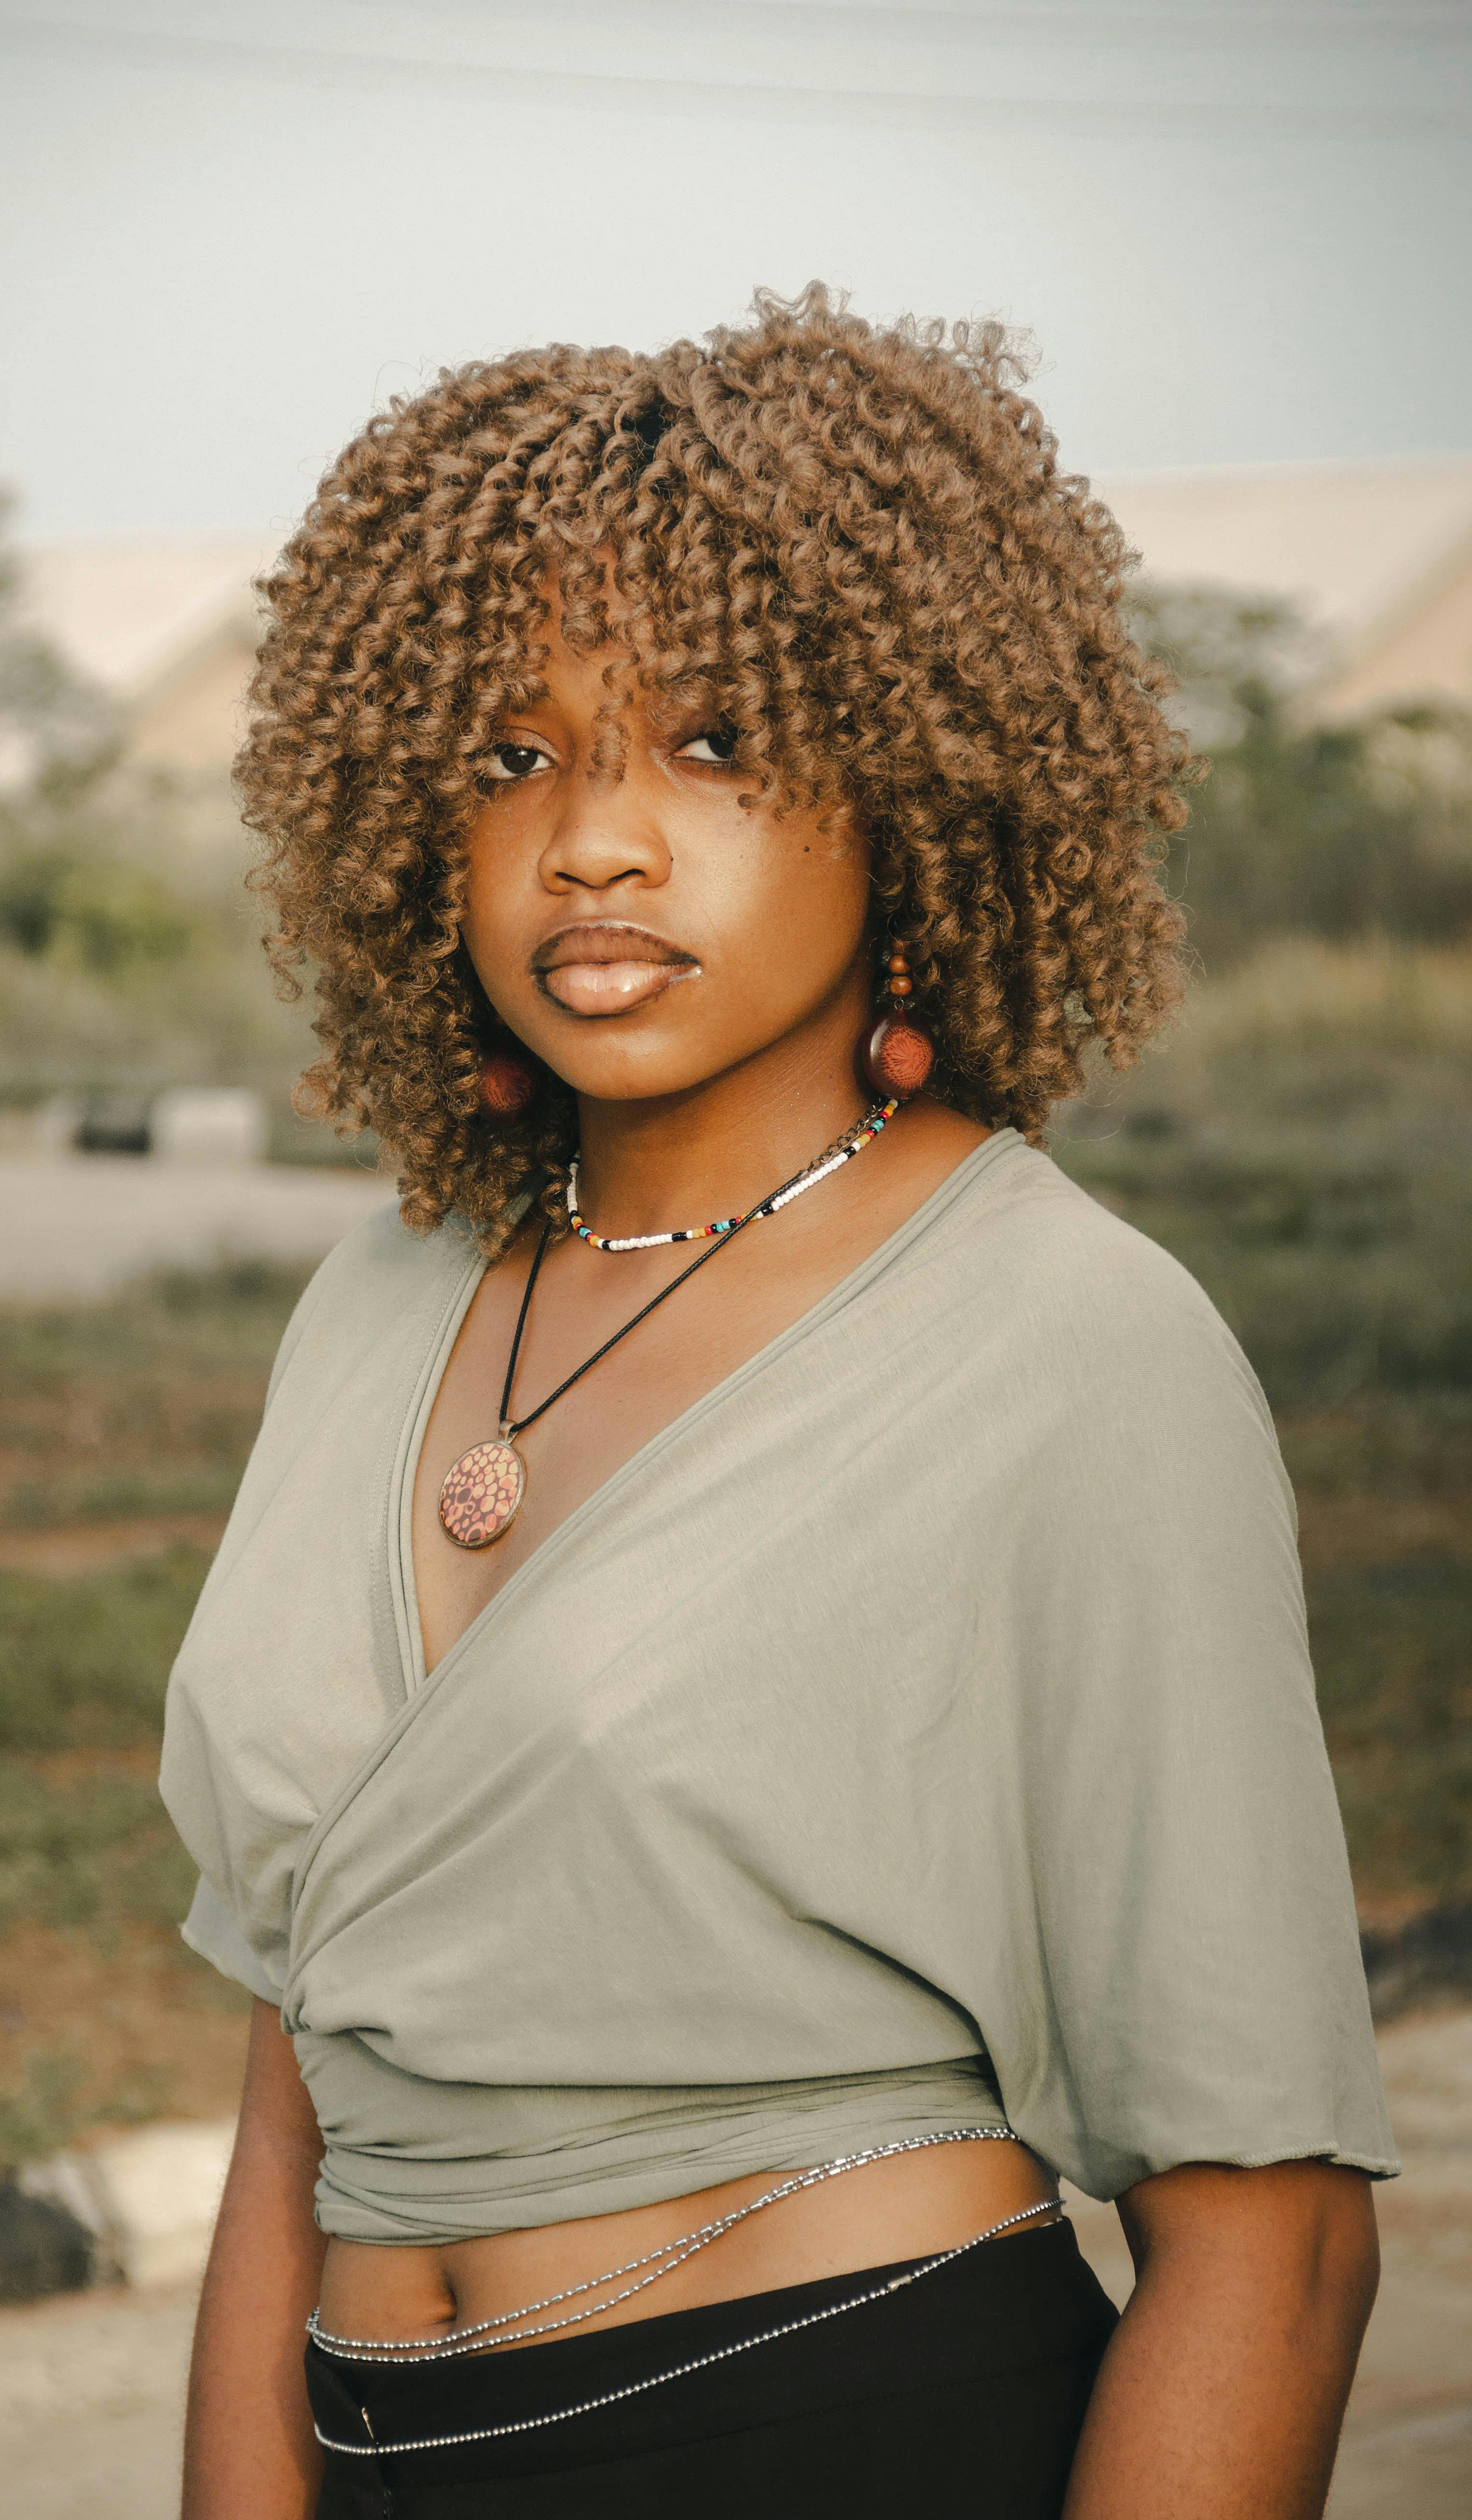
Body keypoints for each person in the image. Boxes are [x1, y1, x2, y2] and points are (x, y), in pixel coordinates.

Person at [161, 288, 1394, 2520]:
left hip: (840, 2426)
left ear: (919, 772)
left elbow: (1273, 2239)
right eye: (511, 752)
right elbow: (294, 2091)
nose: (597, 844)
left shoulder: (1067, 1348)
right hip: (361, 2433)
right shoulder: (373, 1300)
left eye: (714, 740)